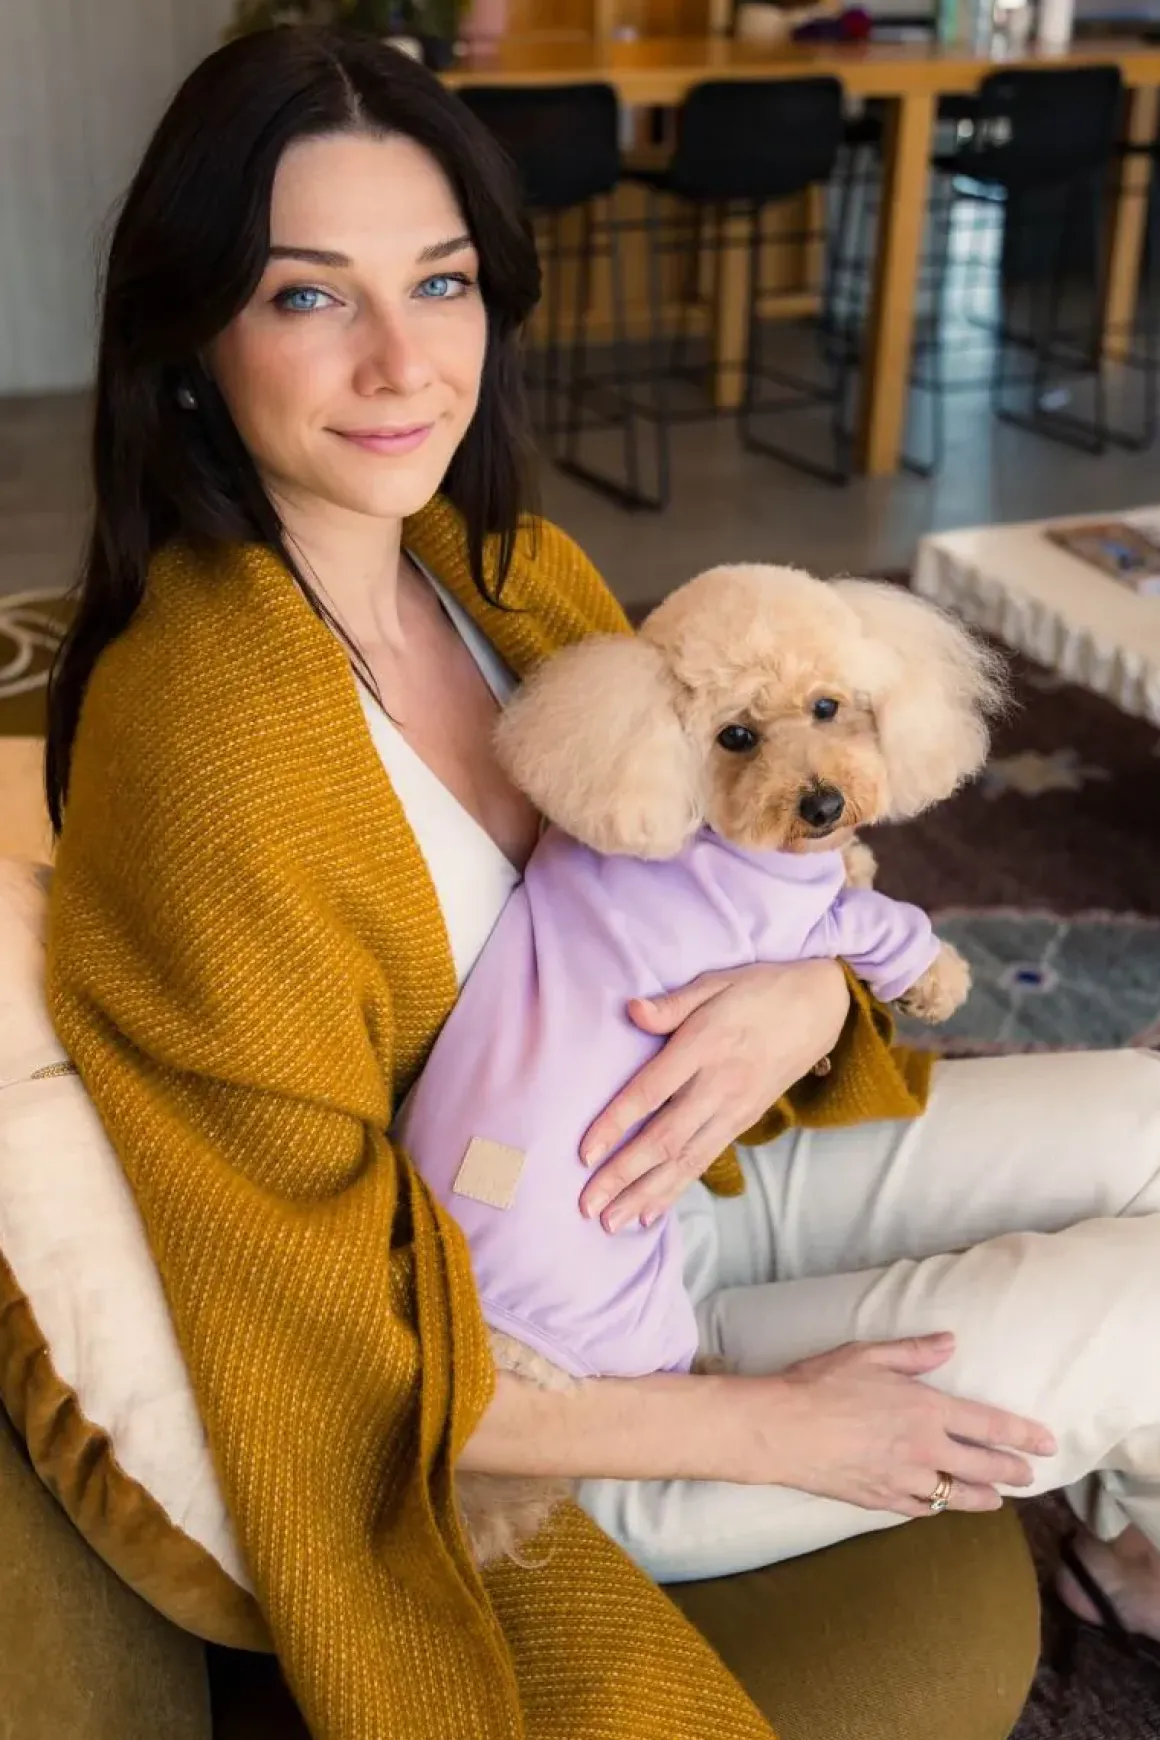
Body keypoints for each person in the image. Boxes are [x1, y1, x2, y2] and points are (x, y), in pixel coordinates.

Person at [41, 24, 1160, 1739]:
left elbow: (741, 857)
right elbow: (311, 1332)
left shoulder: (500, 572)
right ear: (191, 333)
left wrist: (810, 994)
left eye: (440, 281)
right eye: (309, 295)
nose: (402, 362)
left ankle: (1122, 1541)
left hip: (689, 1180)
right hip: (532, 1387)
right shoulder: (203, 743)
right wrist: (772, 1426)